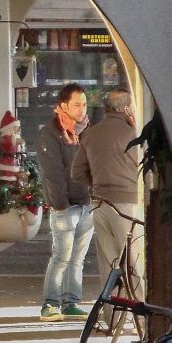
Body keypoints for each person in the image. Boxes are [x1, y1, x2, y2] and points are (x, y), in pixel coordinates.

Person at [71, 87, 143, 297]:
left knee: (109, 262)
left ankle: (113, 314)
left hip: (100, 204)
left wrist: (98, 182)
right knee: (133, 261)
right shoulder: (134, 135)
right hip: (127, 205)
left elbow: (77, 173)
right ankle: (142, 312)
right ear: (128, 108)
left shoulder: (90, 134)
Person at [34, 83, 96, 321]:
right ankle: (49, 304)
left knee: (78, 259)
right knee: (61, 256)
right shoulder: (49, 134)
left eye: (84, 104)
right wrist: (60, 205)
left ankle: (71, 302)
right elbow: (53, 174)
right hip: (65, 207)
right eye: (77, 104)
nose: (82, 109)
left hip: (87, 203)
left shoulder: (87, 131)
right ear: (62, 106)